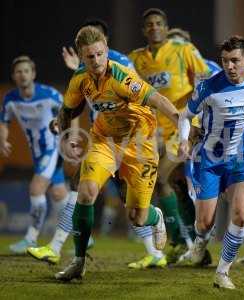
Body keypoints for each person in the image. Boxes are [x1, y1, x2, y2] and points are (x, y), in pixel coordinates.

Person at [54, 26, 179, 281]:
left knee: (137, 216)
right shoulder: (80, 80)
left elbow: (156, 100)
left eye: (100, 54)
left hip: (140, 144)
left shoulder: (123, 77)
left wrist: (181, 122)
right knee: (86, 191)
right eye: (90, 57)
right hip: (105, 141)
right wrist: (65, 136)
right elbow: (67, 110)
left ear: (107, 51)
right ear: (81, 56)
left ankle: (156, 218)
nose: (96, 61)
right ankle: (78, 262)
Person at [178, 35, 244, 289]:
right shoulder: (209, 87)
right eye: (225, 61)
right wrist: (184, 140)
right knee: (204, 223)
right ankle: (200, 242)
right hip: (211, 159)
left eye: (235, 61)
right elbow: (185, 116)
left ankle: (222, 272)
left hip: (242, 157)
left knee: (240, 214)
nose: (230, 66)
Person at [27, 18, 137, 265]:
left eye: (96, 43)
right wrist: (62, 120)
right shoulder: (85, 69)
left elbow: (137, 96)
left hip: (125, 139)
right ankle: (58, 248)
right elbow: (76, 101)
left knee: (133, 206)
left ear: (105, 43)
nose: (93, 54)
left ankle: (157, 240)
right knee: (81, 187)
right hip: (103, 140)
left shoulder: (122, 63)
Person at [127, 8, 211, 268]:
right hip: (151, 131)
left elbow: (206, 78)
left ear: (166, 27)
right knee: (173, 185)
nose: (154, 27)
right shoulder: (134, 59)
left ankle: (181, 240)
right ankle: (190, 245)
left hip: (182, 127)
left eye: (158, 23)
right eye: (149, 24)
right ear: (144, 30)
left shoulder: (183, 49)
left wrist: (197, 116)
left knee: (161, 177)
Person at [0, 56, 69, 254]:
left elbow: (67, 111)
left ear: (33, 74)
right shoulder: (10, 98)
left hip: (52, 148)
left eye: (26, 71)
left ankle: (30, 238)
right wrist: (3, 140)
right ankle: (84, 234)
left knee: (36, 188)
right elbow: (4, 122)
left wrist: (63, 128)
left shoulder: (48, 94)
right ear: (14, 76)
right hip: (37, 152)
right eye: (19, 72)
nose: (23, 75)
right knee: (58, 193)